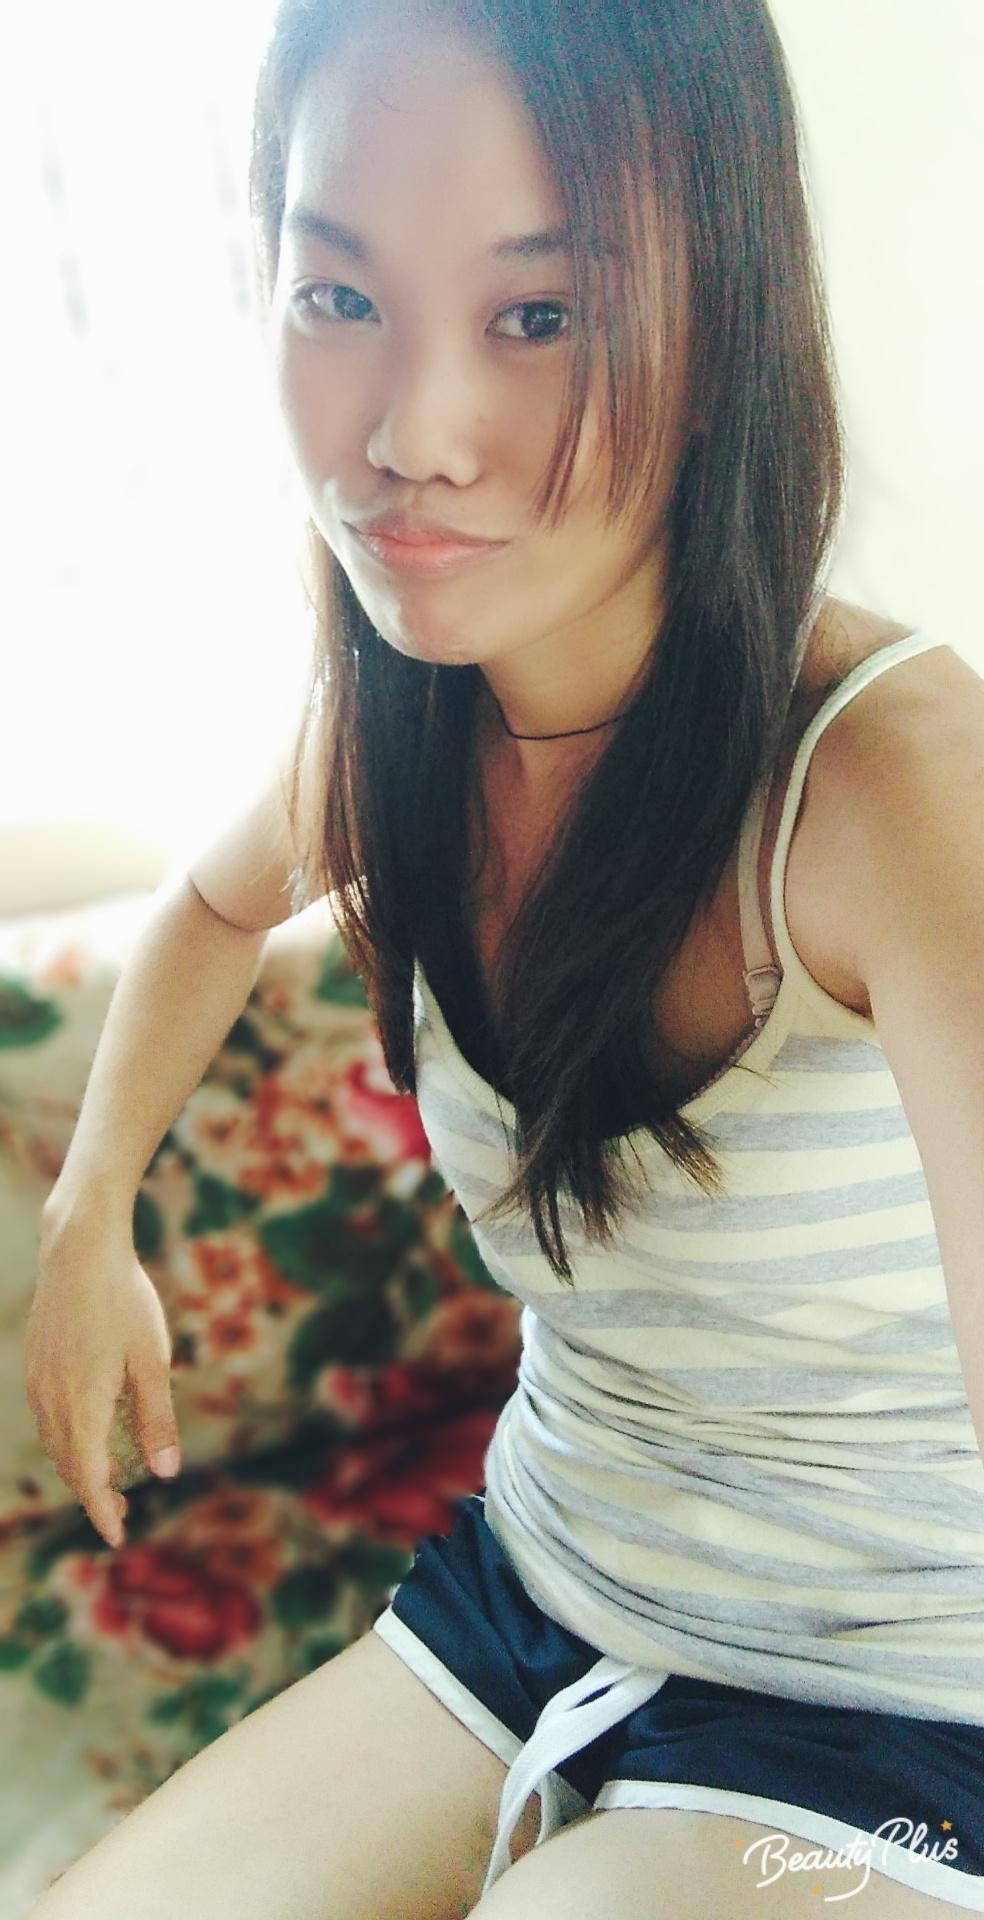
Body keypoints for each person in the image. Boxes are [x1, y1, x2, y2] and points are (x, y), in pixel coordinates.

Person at [23, 0, 984, 1913]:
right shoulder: (397, 733)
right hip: (537, 1591)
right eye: (339, 297)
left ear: (721, 326)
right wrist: (87, 1213)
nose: (410, 438)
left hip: (896, 1702)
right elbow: (211, 908)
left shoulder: (893, 791)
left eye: (539, 315)